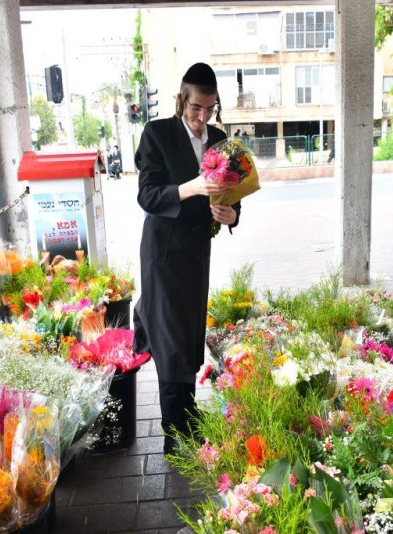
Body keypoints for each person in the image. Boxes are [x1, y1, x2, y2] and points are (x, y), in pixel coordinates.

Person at [132, 63, 240, 455]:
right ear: (181, 100)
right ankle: (174, 431)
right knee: (170, 338)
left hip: (197, 252)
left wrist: (231, 213)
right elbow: (147, 196)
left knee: (190, 335)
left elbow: (233, 192)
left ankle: (185, 413)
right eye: (196, 108)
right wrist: (191, 187)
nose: (201, 118)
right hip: (162, 253)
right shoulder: (157, 134)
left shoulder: (221, 139)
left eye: (209, 109)